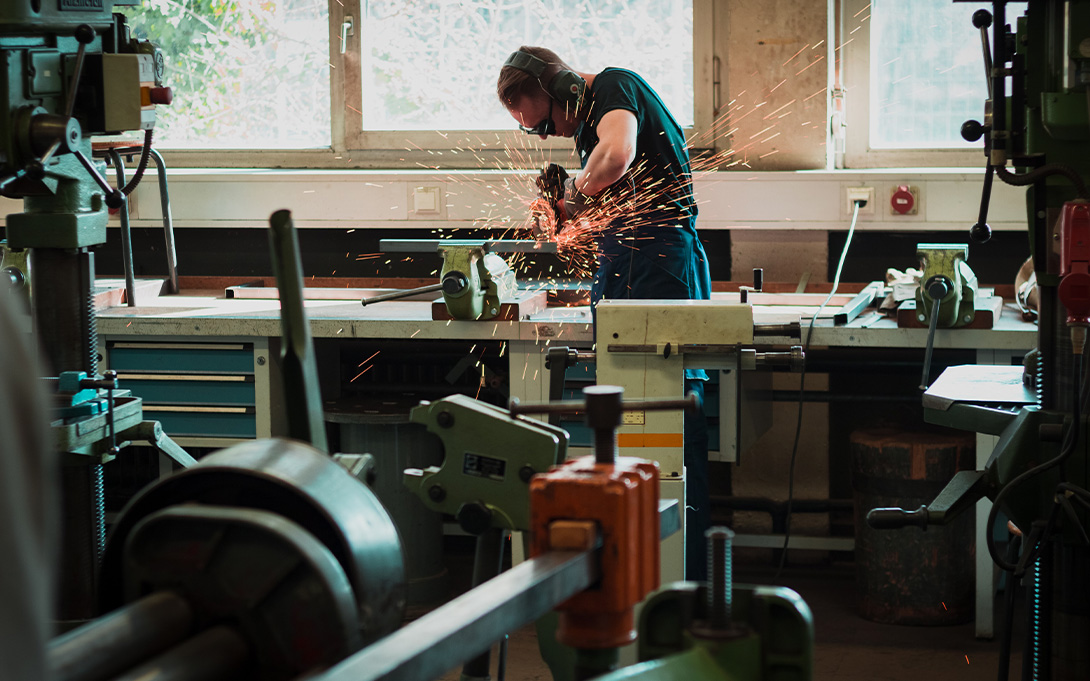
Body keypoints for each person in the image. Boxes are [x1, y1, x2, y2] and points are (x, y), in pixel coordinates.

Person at [497, 46, 712, 581]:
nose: (547, 135)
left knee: (666, 415)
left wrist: (571, 194)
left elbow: (615, 159)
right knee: (634, 413)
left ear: (564, 86)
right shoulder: (586, 124)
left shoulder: (614, 87)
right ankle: (643, 566)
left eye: (543, 122)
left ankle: (680, 573)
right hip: (629, 259)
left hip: (658, 260)